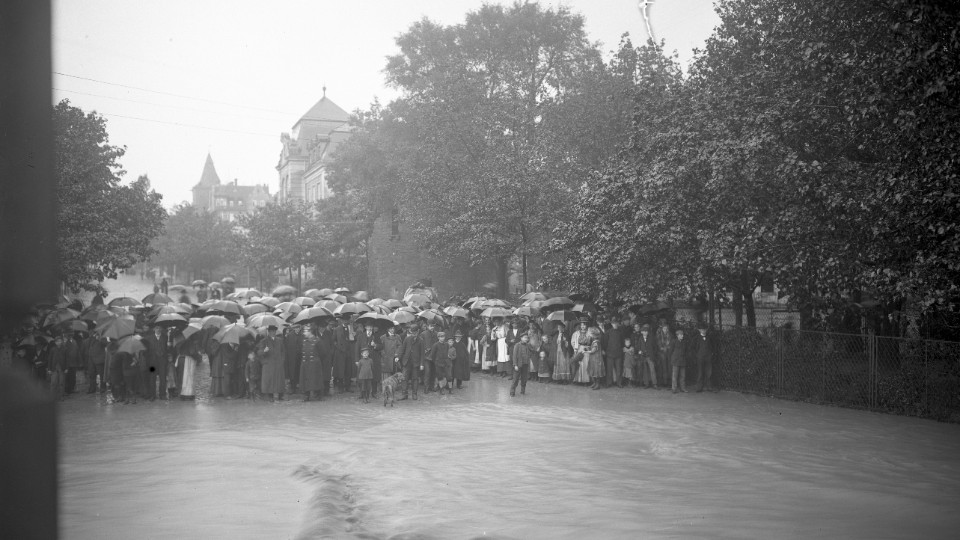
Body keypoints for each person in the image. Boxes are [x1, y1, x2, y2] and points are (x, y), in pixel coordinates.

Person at [258, 325, 286, 401]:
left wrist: (282, 360)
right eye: (271, 331)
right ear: (269, 332)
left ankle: (280, 394)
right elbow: (259, 353)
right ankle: (269, 395)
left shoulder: (280, 340)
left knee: (279, 379)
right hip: (268, 364)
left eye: (274, 331)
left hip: (278, 363)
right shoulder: (264, 341)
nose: (273, 333)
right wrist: (264, 351)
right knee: (269, 380)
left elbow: (283, 351)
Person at [142, 326, 168, 400]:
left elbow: (167, 349)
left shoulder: (165, 337)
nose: (158, 329)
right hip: (152, 362)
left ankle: (162, 394)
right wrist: (149, 358)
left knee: (163, 378)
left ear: (161, 329)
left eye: (159, 328)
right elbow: (144, 350)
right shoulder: (148, 338)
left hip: (162, 361)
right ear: (154, 329)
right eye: (156, 328)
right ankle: (152, 395)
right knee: (152, 378)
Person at [299, 324, 323, 402]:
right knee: (305, 379)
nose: (304, 333)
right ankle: (306, 395)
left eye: (305, 331)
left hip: (314, 363)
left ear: (310, 332)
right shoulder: (304, 341)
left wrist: (316, 360)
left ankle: (317, 394)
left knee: (315, 379)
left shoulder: (317, 341)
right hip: (305, 363)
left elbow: (323, 353)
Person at [398, 324, 423, 400]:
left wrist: (421, 364)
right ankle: (404, 394)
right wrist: (398, 357)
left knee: (415, 378)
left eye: (415, 332)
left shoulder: (421, 340)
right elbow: (402, 349)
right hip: (406, 362)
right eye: (412, 332)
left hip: (416, 363)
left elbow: (422, 354)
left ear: (418, 331)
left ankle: (414, 394)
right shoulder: (407, 339)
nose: (414, 334)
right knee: (404, 378)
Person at [356, 324, 380, 397]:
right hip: (363, 359)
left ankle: (374, 392)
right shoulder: (360, 336)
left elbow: (381, 346)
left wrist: (375, 345)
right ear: (365, 327)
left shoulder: (376, 336)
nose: (369, 328)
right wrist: (356, 360)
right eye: (368, 327)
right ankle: (362, 393)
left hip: (373, 359)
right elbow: (357, 348)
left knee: (374, 375)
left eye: (371, 327)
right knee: (362, 376)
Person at [175, 330, 200, 400]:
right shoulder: (190, 342)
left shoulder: (180, 341)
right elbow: (192, 352)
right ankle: (187, 394)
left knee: (181, 377)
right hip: (187, 360)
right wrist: (198, 357)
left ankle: (181, 393)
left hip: (180, 359)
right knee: (188, 377)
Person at [380, 324, 402, 390]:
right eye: (390, 328)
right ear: (387, 329)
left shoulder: (397, 336)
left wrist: (397, 355)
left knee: (394, 371)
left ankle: (394, 386)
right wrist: (384, 354)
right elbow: (381, 347)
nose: (392, 330)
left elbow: (400, 346)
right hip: (386, 358)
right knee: (386, 373)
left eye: (393, 328)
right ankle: (386, 386)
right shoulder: (383, 337)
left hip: (394, 358)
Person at [604, 318, 625, 388]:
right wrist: (606, 350)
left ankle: (619, 383)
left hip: (618, 353)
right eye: (614, 323)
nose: (615, 324)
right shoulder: (608, 332)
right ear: (611, 324)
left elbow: (622, 343)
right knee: (609, 369)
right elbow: (605, 342)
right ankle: (609, 382)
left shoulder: (620, 332)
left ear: (618, 324)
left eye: (616, 323)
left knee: (619, 369)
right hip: (609, 353)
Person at [694, 323, 715, 392]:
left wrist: (711, 354)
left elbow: (712, 346)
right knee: (700, 373)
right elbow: (694, 348)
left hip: (708, 357)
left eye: (705, 329)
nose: (704, 331)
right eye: (702, 330)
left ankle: (709, 386)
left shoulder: (709, 337)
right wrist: (697, 355)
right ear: (699, 330)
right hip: (700, 357)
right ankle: (699, 387)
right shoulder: (697, 338)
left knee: (709, 372)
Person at [636, 323, 658, 389]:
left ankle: (654, 384)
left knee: (652, 370)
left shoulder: (651, 338)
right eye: (644, 331)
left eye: (646, 331)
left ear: (648, 332)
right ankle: (646, 384)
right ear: (642, 332)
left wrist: (652, 354)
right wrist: (639, 351)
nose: (645, 333)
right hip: (643, 356)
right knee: (645, 371)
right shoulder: (640, 338)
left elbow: (655, 347)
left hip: (650, 356)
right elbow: (638, 347)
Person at [419, 322, 439, 392]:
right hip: (426, 356)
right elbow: (420, 344)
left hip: (434, 356)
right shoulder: (423, 334)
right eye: (430, 326)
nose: (432, 327)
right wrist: (424, 350)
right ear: (427, 326)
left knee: (433, 372)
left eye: (433, 326)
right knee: (427, 372)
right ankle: (426, 387)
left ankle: (432, 386)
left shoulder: (436, 334)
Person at [571, 320, 592, 385]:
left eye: (584, 325)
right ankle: (578, 380)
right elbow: (573, 342)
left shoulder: (589, 333)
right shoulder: (576, 333)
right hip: (579, 349)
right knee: (579, 364)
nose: (583, 326)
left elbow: (592, 342)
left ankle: (586, 380)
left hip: (586, 350)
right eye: (582, 325)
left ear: (586, 325)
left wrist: (588, 347)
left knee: (586, 364)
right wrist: (575, 348)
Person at [284, 324, 302, 394]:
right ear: (294, 328)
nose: (297, 329)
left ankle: (298, 386)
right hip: (292, 357)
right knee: (292, 372)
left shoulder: (302, 335)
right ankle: (293, 387)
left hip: (300, 357)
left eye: (298, 328)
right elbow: (286, 346)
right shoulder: (290, 335)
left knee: (299, 371)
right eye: (296, 328)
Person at [670, 328, 689, 393]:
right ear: (677, 335)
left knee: (682, 376)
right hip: (675, 361)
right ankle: (674, 389)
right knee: (674, 376)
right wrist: (672, 359)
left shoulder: (684, 342)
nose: (682, 336)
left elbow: (686, 351)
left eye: (682, 334)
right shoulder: (673, 341)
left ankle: (683, 388)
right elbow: (671, 351)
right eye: (680, 335)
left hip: (683, 361)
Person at [656, 319, 673, 389]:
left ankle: (669, 383)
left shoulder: (670, 335)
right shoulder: (659, 334)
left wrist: (667, 348)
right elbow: (659, 344)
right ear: (662, 328)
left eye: (666, 328)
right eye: (664, 328)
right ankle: (664, 382)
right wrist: (662, 348)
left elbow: (671, 344)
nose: (665, 330)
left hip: (668, 353)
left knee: (669, 368)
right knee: (663, 367)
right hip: (662, 353)